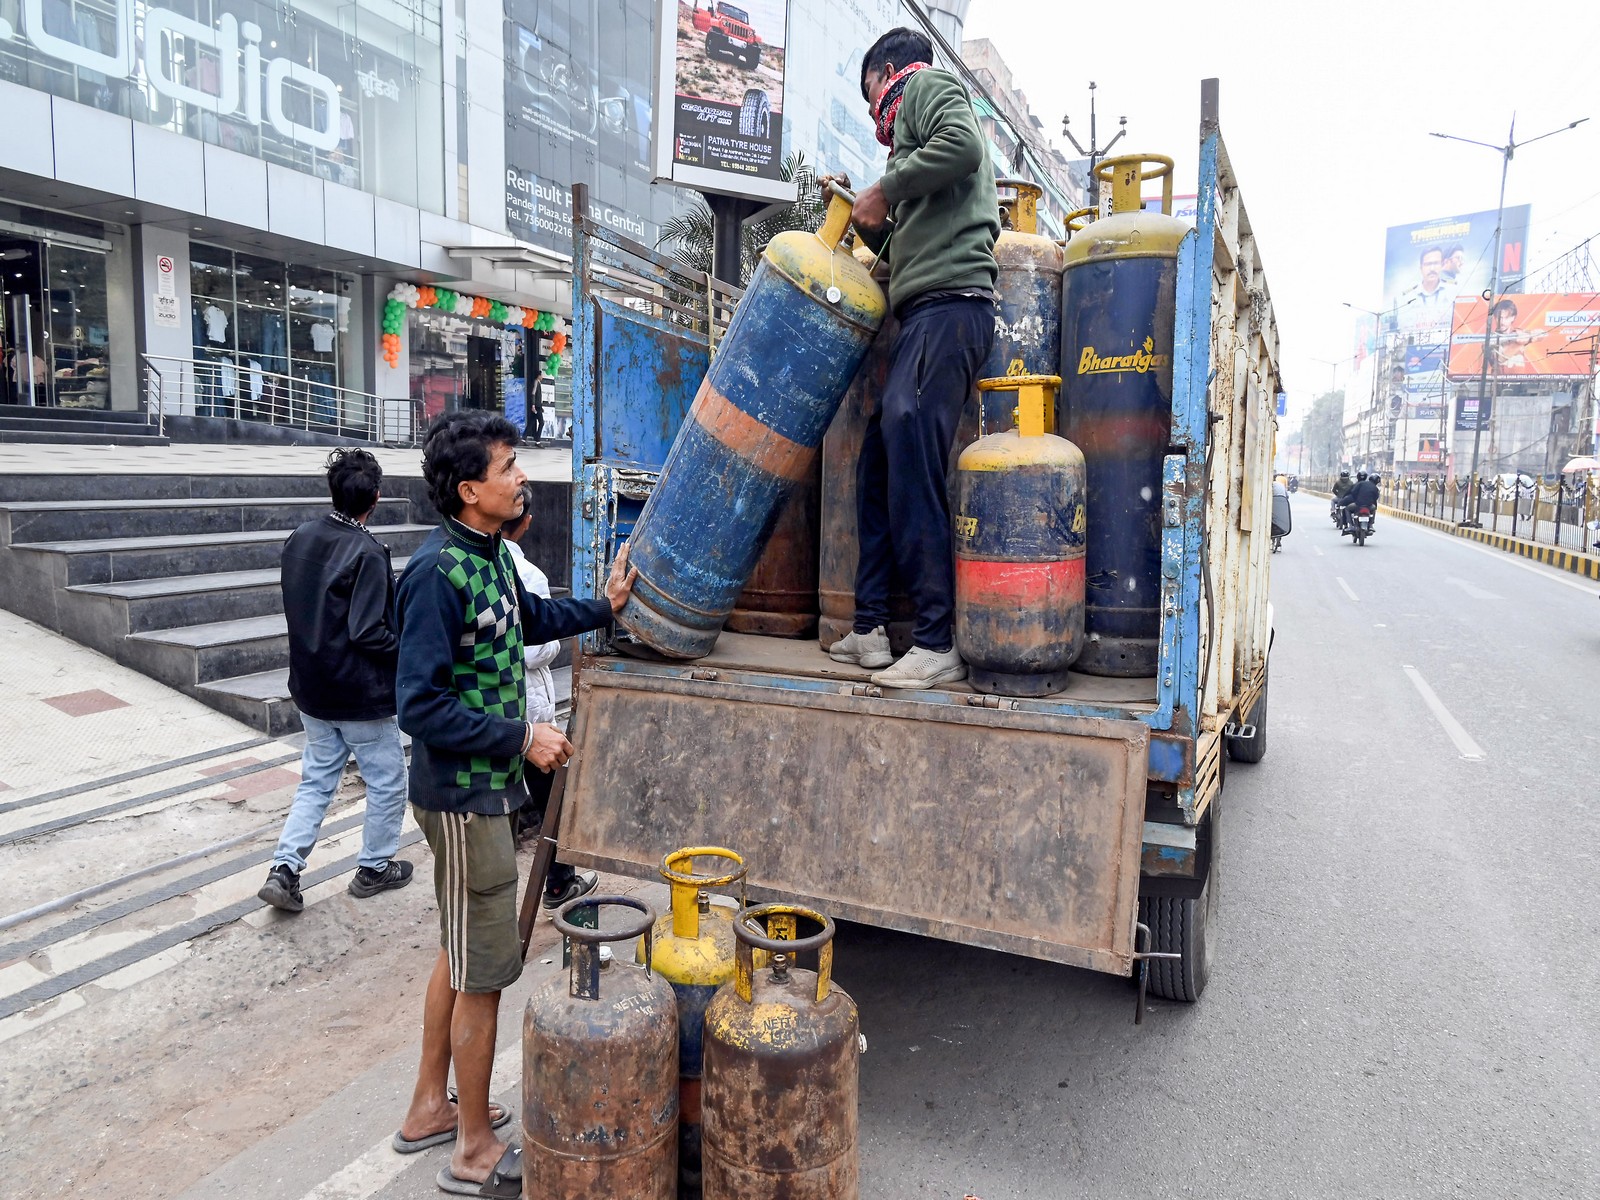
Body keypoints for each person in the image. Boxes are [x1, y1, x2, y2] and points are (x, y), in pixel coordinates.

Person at [392, 411, 636, 1196]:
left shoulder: (492, 556)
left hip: (485, 792)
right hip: (463, 798)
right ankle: (470, 1150)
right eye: (507, 467)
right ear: (470, 490)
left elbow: (529, 618)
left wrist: (603, 607)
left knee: (458, 953)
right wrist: (520, 737)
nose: (521, 476)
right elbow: (418, 706)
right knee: (486, 971)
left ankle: (431, 1106)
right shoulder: (435, 576)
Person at [820, 25, 999, 690]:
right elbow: (907, 237)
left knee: (909, 447)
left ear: (890, 70)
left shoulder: (925, 86)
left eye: (871, 97)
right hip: (925, 312)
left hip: (953, 307)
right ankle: (870, 627)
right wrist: (873, 222)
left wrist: (887, 189)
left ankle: (934, 639)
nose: (875, 116)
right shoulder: (912, 160)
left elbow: (963, 147)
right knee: (878, 465)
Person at [258, 449, 411, 914]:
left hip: (311, 686)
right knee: (387, 780)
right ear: (376, 498)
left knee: (317, 781)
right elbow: (368, 631)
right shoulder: (366, 551)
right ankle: (374, 867)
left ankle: (284, 868)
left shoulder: (300, 537)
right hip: (357, 692)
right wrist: (411, 651)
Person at [500, 482, 596, 907]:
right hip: (531, 711)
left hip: (504, 714)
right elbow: (537, 647)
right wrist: (555, 640)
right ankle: (558, 881)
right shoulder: (529, 575)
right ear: (526, 524)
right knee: (551, 793)